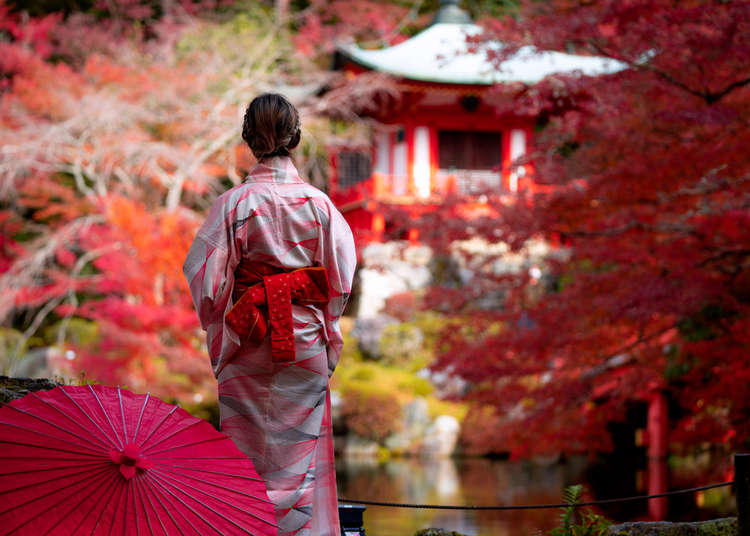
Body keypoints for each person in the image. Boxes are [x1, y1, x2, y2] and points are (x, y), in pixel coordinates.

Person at [183, 93, 357, 536]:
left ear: (248, 138)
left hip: (249, 336)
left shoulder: (233, 205)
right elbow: (339, 281)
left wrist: (224, 318)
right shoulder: (320, 205)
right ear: (295, 138)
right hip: (304, 345)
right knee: (302, 460)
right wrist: (325, 322)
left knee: (244, 462)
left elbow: (206, 284)